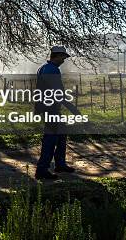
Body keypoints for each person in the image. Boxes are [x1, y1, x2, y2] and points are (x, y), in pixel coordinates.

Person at [34, 46, 80, 180]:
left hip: (47, 108)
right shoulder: (52, 70)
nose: (64, 60)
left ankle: (60, 164)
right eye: (63, 57)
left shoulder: (43, 68)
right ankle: (42, 170)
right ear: (57, 55)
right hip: (51, 109)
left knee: (61, 135)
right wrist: (73, 109)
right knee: (51, 139)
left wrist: (37, 108)